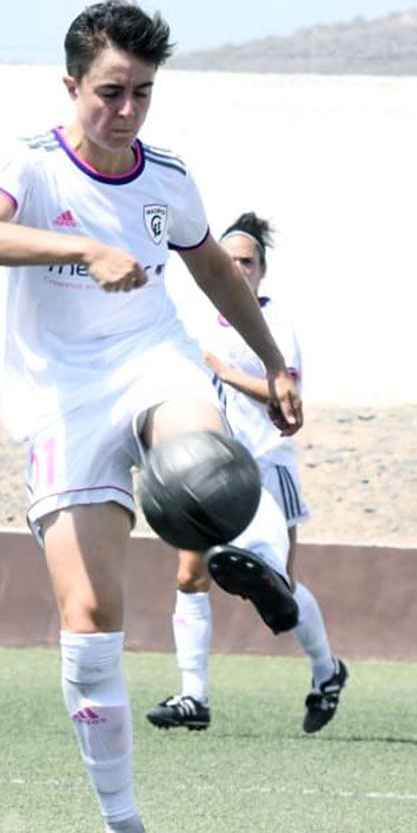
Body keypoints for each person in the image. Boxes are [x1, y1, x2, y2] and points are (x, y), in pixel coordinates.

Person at [0, 1, 301, 833]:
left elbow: (215, 272)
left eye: (143, 93)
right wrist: (82, 245)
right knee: (90, 615)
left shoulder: (169, 177)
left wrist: (273, 360)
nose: (127, 111)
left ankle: (242, 557)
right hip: (60, 395)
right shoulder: (27, 162)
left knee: (205, 463)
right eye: (111, 92)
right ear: (72, 85)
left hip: (151, 357)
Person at [146, 213, 346, 735]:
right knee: (190, 576)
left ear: (261, 270)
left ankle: (327, 672)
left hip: (265, 466)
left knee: (279, 584)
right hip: (211, 473)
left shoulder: (274, 323)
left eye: (247, 262)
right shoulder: (198, 327)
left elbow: (287, 396)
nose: (237, 270)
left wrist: (227, 372)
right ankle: (194, 696)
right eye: (228, 261)